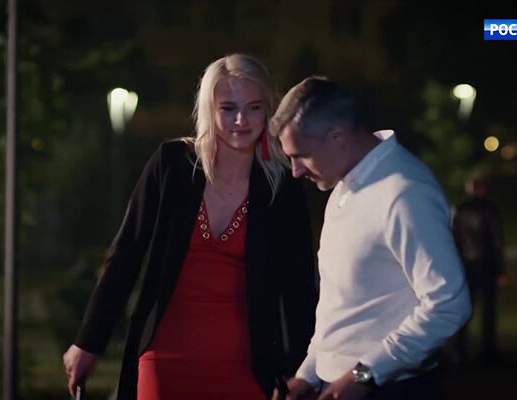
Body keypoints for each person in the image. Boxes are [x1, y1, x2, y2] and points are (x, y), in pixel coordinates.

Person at [62, 54, 318, 400]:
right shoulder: (172, 166)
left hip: (247, 365)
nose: (241, 120)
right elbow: (125, 257)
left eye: (254, 108)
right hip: (164, 358)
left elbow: (299, 287)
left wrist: (304, 372)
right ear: (209, 110)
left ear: (269, 110)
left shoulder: (283, 186)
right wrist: (88, 342)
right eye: (228, 108)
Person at [270, 76, 472, 400]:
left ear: (338, 136)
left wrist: (366, 374)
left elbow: (449, 305)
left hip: (394, 390)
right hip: (343, 386)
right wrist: (308, 374)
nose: (296, 171)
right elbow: (342, 305)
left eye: (301, 155)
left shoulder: (404, 192)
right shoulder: (344, 186)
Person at [450, 174, 505, 365]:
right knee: (488, 309)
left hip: (466, 264)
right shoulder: (491, 209)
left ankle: (459, 348)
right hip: (486, 264)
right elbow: (497, 240)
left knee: (465, 308)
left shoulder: (460, 209)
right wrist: (500, 268)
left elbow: (454, 238)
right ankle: (487, 350)